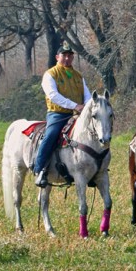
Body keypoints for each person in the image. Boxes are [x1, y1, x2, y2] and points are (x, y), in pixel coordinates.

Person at [32, 44, 92, 188]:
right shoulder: (50, 74)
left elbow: (87, 95)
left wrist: (88, 106)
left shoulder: (78, 76)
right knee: (51, 135)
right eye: (64, 55)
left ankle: (94, 171)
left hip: (78, 114)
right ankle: (40, 169)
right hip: (58, 114)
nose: (67, 58)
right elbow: (53, 95)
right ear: (57, 57)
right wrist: (75, 105)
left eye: (70, 55)